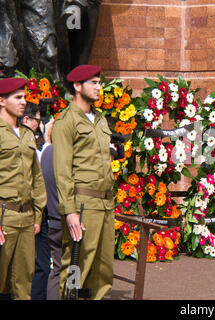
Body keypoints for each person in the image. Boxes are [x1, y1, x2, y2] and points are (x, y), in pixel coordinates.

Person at [52, 64, 115, 299]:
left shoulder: (99, 119)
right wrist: (69, 211)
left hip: (106, 204)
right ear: (77, 86)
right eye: (93, 83)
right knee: (77, 267)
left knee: (102, 270)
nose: (99, 87)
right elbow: (62, 171)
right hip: (83, 204)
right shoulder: (66, 121)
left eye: (100, 83)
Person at [0, 77, 47, 299]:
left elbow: (37, 178)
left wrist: (37, 216)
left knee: (23, 282)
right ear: (1, 100)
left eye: (24, 97)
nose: (23, 102)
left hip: (27, 218)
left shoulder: (28, 134)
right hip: (3, 217)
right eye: (17, 97)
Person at [19, 102, 51, 300]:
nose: (40, 126)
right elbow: (40, 171)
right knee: (39, 266)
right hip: (25, 211)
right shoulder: (25, 140)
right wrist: (47, 140)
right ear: (27, 120)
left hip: (33, 212)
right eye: (38, 121)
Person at [38, 119, 61, 300]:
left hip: (52, 219)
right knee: (75, 269)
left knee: (58, 270)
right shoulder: (60, 155)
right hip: (66, 220)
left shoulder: (45, 154)